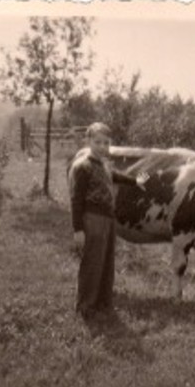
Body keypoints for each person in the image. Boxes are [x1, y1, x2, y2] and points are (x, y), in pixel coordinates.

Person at [69, 123, 144, 321]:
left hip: (108, 219)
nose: (102, 146)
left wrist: (136, 181)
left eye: (106, 142)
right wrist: (78, 229)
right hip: (92, 219)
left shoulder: (103, 164)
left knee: (106, 263)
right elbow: (76, 200)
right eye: (97, 142)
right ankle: (86, 307)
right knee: (93, 263)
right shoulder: (82, 166)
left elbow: (116, 176)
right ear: (88, 141)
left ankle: (103, 303)